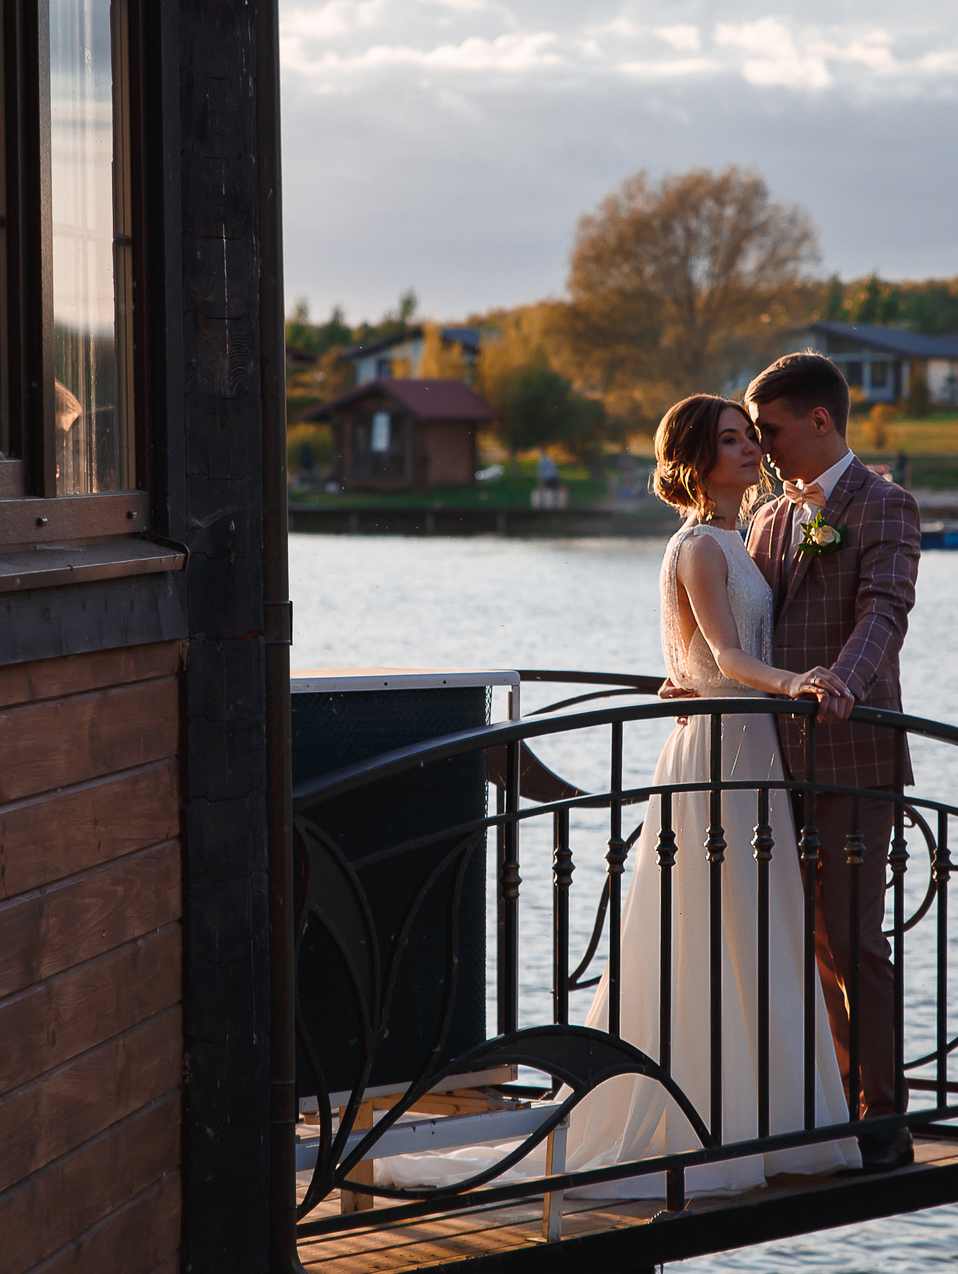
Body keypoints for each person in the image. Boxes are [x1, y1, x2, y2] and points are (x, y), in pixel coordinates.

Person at [377, 395, 860, 1199]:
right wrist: (797, 682)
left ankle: (762, 1116)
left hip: (753, 754)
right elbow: (728, 656)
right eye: (734, 441)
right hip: (717, 748)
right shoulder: (700, 544)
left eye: (751, 438)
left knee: (754, 924)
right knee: (707, 926)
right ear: (698, 462)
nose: (751, 449)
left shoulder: (742, 536)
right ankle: (695, 1119)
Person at [743, 352, 922, 1164]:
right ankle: (824, 1103)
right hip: (776, 762)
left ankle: (882, 1115)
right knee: (802, 942)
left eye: (772, 431)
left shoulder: (885, 504)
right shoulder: (768, 517)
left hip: (852, 752)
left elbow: (885, 610)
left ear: (821, 421)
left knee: (853, 940)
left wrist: (842, 684)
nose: (764, 448)